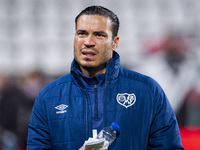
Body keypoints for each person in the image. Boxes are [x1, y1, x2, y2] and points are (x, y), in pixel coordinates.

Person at [27, 5, 184, 150]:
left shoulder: (148, 90)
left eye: (99, 35)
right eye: (81, 33)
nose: (88, 42)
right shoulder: (48, 97)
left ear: (114, 42)